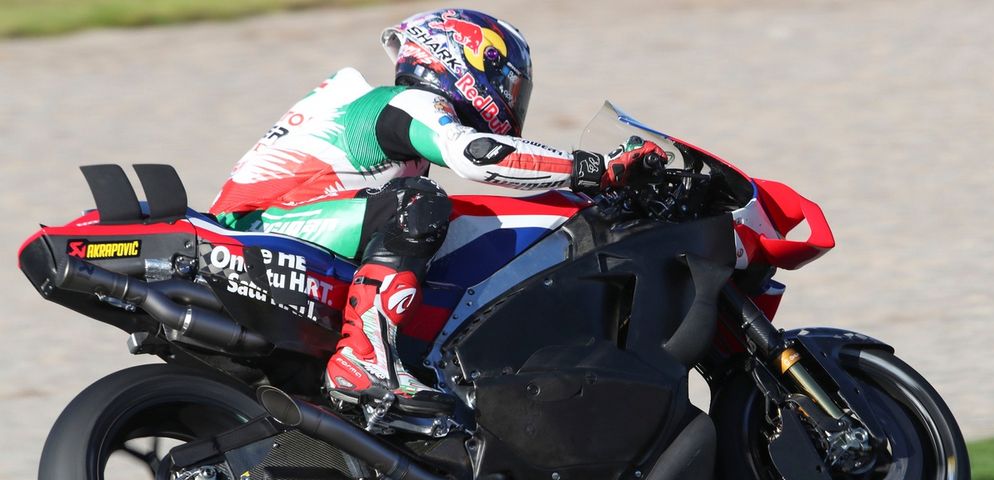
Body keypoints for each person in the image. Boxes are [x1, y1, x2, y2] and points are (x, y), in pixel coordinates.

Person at [210, 8, 664, 415]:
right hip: (267, 230)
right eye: (507, 84)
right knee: (418, 202)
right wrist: (591, 169)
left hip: (275, 230)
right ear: (461, 62)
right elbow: (478, 155)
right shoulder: (408, 102)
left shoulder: (377, 117)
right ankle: (365, 360)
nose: (510, 99)